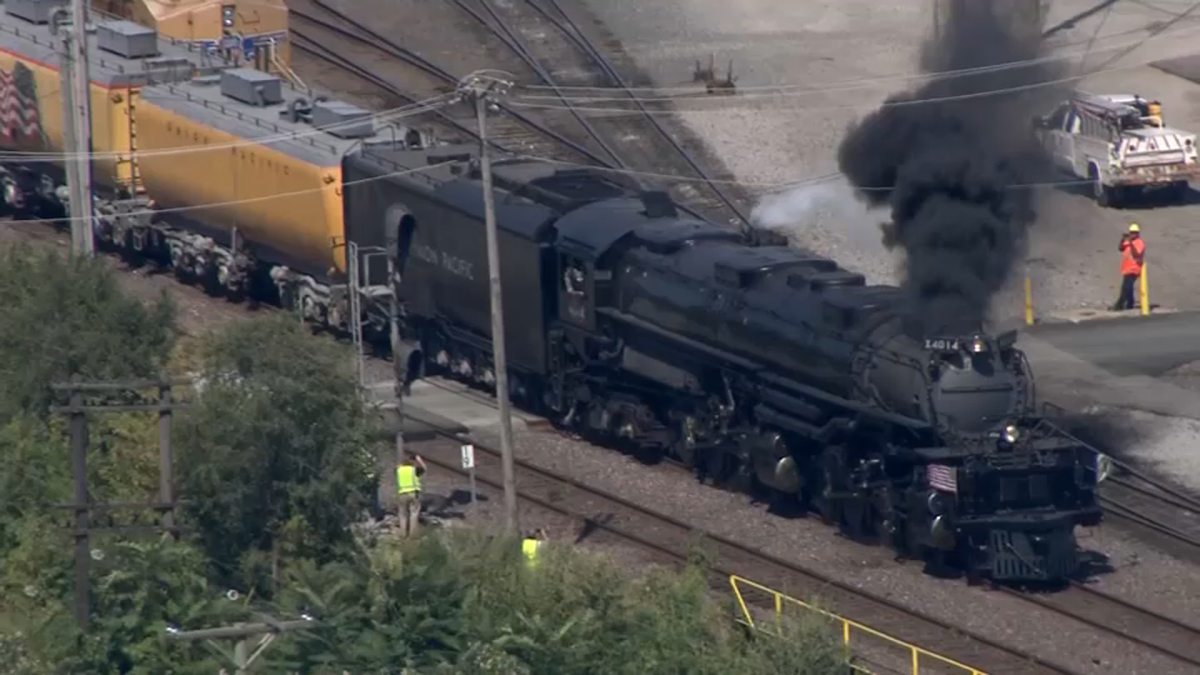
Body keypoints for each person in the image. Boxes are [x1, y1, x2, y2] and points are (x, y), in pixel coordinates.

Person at [1112, 223, 1146, 311]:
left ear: (1138, 233)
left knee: (1125, 287)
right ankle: (1130, 303)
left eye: (1134, 233)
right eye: (1131, 232)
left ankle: (1119, 305)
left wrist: (1131, 243)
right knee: (1129, 287)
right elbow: (1120, 248)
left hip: (1134, 268)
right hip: (1126, 268)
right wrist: (1122, 239)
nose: (1132, 234)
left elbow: (1136, 254)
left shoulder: (1139, 242)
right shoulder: (1127, 241)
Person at [395, 454, 427, 538]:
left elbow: (396, 468)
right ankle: (412, 535)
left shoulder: (399, 470)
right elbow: (424, 468)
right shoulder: (414, 469)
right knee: (414, 514)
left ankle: (403, 534)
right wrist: (419, 460)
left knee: (402, 515)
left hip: (401, 494)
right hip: (413, 494)